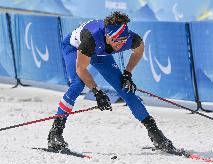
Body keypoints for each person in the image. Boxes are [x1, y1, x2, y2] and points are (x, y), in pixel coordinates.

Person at [47, 11, 175, 152]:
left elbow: (138, 52)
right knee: (78, 84)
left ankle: (156, 135)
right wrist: (97, 92)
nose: (119, 45)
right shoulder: (91, 38)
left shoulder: (132, 39)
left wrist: (127, 74)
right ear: (107, 35)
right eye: (115, 40)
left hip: (101, 53)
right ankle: (55, 134)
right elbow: (81, 69)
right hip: (74, 47)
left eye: (122, 41)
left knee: (125, 89)